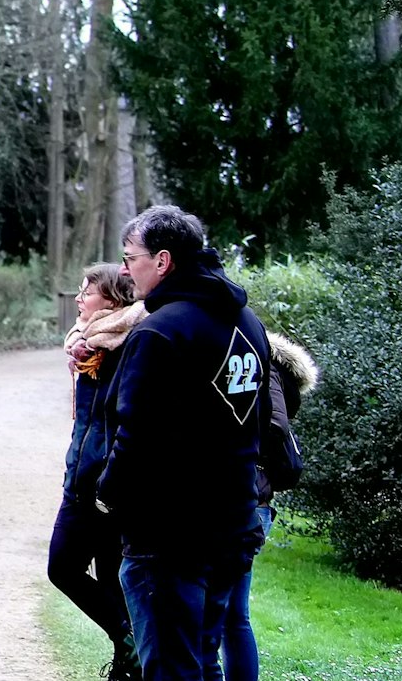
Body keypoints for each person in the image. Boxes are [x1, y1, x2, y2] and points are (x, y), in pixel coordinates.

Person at [96, 205, 272, 681]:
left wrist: (106, 495)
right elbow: (258, 423)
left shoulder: (160, 331)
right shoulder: (249, 326)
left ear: (164, 261)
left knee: (172, 669)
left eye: (131, 257)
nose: (126, 269)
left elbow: (134, 433)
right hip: (230, 525)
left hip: (168, 536)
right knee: (202, 659)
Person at [49, 264, 146, 681]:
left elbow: (123, 420)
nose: (78, 298)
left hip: (107, 484)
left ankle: (129, 648)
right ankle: (129, 655)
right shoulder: (88, 346)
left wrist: (108, 475)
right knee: (97, 577)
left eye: (87, 292)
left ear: (112, 300)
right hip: (81, 478)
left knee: (70, 568)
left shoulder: (128, 347)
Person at [217, 331, 315, 681]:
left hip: (248, 495)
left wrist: (237, 445)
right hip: (255, 495)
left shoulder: (260, 362)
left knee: (228, 614)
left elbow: (274, 425)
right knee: (231, 614)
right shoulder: (267, 362)